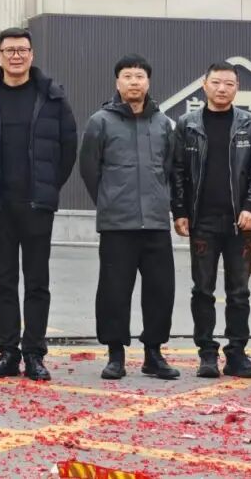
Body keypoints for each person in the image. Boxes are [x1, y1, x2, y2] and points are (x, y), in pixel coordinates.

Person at [0, 28, 77, 381]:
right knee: (4, 282)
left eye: (22, 50)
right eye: (9, 50)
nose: (16, 56)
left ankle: (34, 353)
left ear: (32, 54)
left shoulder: (52, 97)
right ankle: (8, 352)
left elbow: (68, 148)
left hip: (36, 205)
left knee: (37, 282)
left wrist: (49, 186)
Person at [79, 54, 179, 381]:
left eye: (139, 76)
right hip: (117, 224)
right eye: (127, 76)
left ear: (148, 82)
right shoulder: (100, 122)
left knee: (160, 290)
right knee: (114, 291)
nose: (134, 82)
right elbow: (89, 169)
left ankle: (154, 354)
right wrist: (108, 201)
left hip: (156, 223)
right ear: (117, 82)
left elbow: (170, 169)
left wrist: (163, 203)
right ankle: (115, 355)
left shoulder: (163, 124)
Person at [171, 62, 251, 379]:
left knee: (239, 292)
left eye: (229, 83)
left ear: (237, 87)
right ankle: (207, 354)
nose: (222, 88)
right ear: (204, 84)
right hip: (203, 221)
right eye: (216, 82)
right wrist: (180, 211)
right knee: (203, 290)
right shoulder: (187, 124)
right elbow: (178, 172)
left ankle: (236, 354)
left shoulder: (250, 123)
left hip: (241, 223)